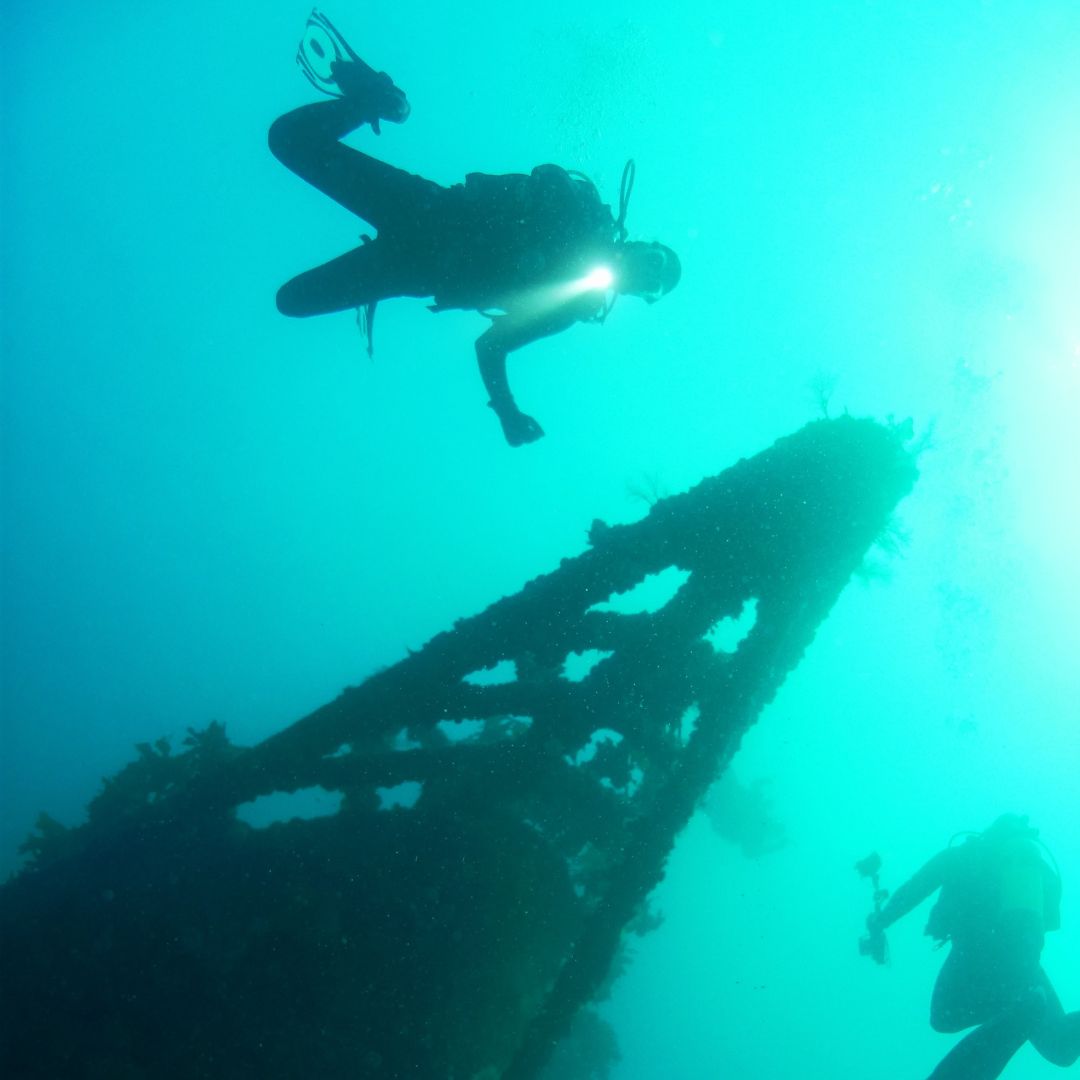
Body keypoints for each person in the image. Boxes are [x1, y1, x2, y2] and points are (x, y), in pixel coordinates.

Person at [269, 12, 681, 447]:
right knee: (288, 140)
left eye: (651, 287)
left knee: (292, 301)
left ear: (641, 297)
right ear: (642, 244)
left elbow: (491, 346)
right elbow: (548, 174)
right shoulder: (584, 214)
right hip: (427, 211)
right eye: (653, 263)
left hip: (410, 272)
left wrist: (507, 410)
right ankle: (376, 99)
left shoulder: (570, 307)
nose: (644, 276)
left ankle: (374, 102)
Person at [863, 815, 1080, 1079]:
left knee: (944, 1017)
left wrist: (880, 921)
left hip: (977, 951)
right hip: (1024, 958)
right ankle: (1024, 1005)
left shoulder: (960, 856)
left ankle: (1023, 1007)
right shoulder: (1024, 865)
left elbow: (914, 889)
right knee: (1060, 1048)